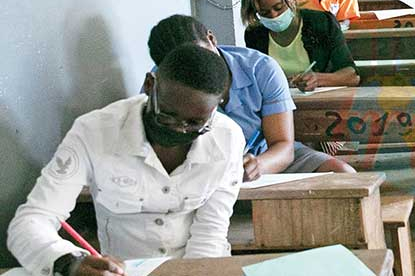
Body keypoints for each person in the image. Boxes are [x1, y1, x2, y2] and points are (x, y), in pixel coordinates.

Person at [8, 45, 242, 276]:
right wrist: (68, 262)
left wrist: (192, 274)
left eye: (195, 124)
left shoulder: (227, 139)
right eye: (168, 117)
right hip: (122, 270)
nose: (180, 131)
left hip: (200, 266)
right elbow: (31, 221)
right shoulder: (93, 132)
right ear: (150, 86)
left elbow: (210, 231)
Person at [148, 15, 356, 183]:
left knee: (343, 176)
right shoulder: (162, 84)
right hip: (200, 168)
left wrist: (257, 166)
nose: (197, 71)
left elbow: (283, 147)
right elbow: (164, 153)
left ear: (211, 39)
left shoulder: (261, 68)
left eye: (202, 56)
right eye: (181, 69)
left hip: (264, 155)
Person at [240, 0, 360, 89]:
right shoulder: (254, 34)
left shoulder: (322, 22)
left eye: (279, 7)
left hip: (321, 103)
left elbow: (351, 76)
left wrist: (318, 79)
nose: (273, 16)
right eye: (264, 13)